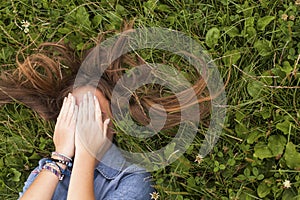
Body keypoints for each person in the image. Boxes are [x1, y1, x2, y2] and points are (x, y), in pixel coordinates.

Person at [0, 23, 212, 199]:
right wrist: (60, 158)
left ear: (113, 126)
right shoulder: (49, 170)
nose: (84, 125)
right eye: (76, 114)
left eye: (93, 116)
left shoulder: (133, 179)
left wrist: (86, 153)